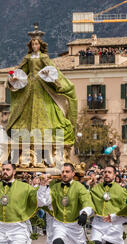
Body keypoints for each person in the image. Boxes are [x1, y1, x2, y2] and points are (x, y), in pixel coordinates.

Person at [6, 26, 78, 163]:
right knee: (27, 112)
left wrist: (52, 78)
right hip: (31, 86)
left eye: (37, 43)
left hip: (42, 86)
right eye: (33, 44)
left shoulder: (44, 57)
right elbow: (20, 71)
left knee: (49, 111)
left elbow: (53, 70)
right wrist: (13, 78)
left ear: (40, 45)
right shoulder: (27, 58)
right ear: (30, 45)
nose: (34, 46)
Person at [37, 164, 94, 244]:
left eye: (67, 172)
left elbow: (87, 202)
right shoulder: (54, 187)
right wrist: (42, 186)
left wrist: (84, 213)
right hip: (59, 224)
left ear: (73, 173)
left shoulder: (79, 187)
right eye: (62, 172)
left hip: (75, 226)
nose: (64, 174)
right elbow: (42, 202)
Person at [89, 165, 127, 244]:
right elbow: (88, 199)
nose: (106, 174)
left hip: (113, 223)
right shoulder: (96, 188)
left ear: (114, 175)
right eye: (105, 172)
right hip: (98, 221)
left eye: (109, 172)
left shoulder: (121, 190)